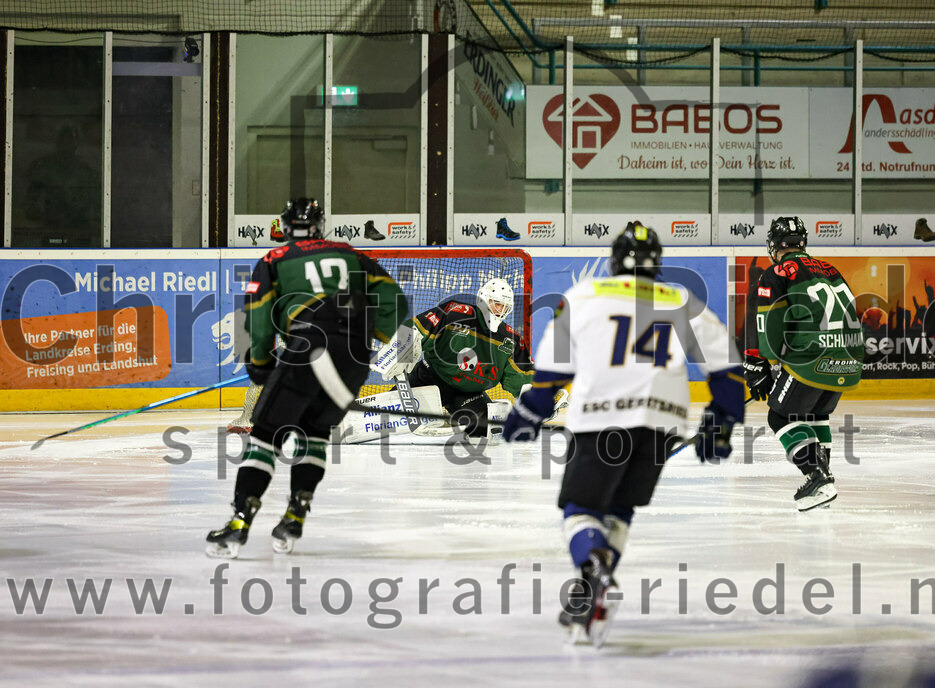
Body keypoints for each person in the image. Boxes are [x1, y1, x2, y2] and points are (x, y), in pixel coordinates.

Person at [501, 222, 745, 646]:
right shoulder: (682, 299)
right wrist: (723, 421)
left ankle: (593, 570)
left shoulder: (585, 295)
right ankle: (589, 596)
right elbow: (726, 368)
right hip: (662, 425)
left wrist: (528, 412)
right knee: (619, 510)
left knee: (579, 508)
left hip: (602, 420)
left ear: (615, 260)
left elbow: (552, 373)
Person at [206, 198, 408, 558]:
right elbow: (395, 300)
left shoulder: (273, 260)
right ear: (320, 225)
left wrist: (261, 363)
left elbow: (258, 314)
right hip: (354, 359)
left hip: (310, 347)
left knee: (267, 435)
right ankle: (296, 515)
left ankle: (239, 522)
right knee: (315, 434)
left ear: (285, 227)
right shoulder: (349, 254)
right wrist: (367, 340)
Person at [742, 216, 864, 512]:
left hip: (812, 358)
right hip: (849, 359)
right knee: (815, 415)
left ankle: (817, 478)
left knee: (780, 418)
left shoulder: (777, 272)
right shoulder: (830, 269)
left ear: (774, 245)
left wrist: (761, 365)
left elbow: (769, 327)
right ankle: (825, 481)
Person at [376, 278, 535, 436]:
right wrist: (399, 348)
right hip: (430, 378)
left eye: (505, 307)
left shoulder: (510, 340)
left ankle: (455, 417)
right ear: (484, 299)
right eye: (497, 304)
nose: (500, 310)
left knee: (484, 429)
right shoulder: (455, 313)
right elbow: (419, 327)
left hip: (467, 394)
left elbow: (523, 378)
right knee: (379, 418)